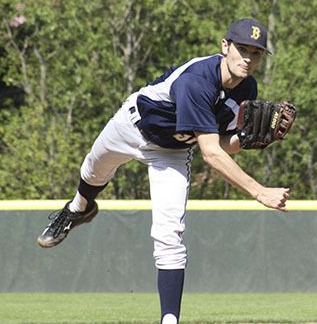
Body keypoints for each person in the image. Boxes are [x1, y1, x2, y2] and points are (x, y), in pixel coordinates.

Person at [36, 18, 291, 324]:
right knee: (92, 169)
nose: (248, 58)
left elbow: (222, 144)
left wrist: (249, 140)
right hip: (132, 126)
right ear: (225, 47)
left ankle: (169, 320)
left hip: (172, 151)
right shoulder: (198, 80)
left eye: (257, 52)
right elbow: (210, 153)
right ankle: (78, 209)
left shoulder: (247, 86)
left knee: (169, 233)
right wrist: (259, 191)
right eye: (242, 49)